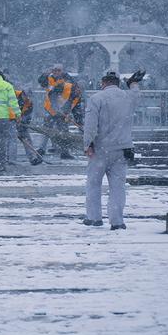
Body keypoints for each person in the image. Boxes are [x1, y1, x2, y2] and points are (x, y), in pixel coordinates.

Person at [83, 69, 145, 230]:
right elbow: (136, 94)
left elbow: (90, 124)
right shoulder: (129, 97)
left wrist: (87, 144)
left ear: (103, 82)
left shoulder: (96, 98)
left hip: (100, 149)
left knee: (93, 184)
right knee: (118, 187)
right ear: (117, 82)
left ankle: (94, 217)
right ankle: (117, 221)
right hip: (122, 148)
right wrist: (133, 83)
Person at [38, 76, 80, 160]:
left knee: (64, 131)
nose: (79, 91)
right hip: (51, 111)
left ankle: (64, 152)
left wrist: (69, 115)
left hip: (61, 114)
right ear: (76, 87)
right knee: (47, 130)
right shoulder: (65, 86)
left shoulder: (76, 95)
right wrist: (56, 108)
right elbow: (52, 94)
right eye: (79, 89)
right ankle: (41, 149)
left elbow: (73, 107)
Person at [8, 87, 42, 165]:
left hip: (20, 122)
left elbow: (27, 116)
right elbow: (8, 108)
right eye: (26, 96)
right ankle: (11, 160)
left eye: (29, 97)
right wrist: (15, 120)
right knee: (11, 141)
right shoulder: (14, 95)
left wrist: (22, 124)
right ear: (22, 93)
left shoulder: (29, 103)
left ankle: (33, 158)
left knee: (27, 139)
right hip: (9, 120)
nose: (27, 98)